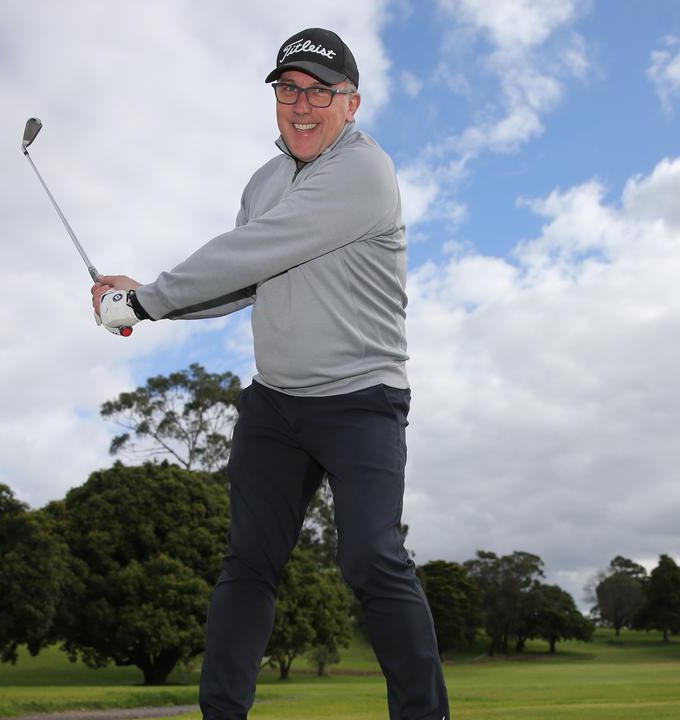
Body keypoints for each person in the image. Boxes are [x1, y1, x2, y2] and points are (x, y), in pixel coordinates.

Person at [91, 27, 449, 720]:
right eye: (289, 90)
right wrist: (148, 305)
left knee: (372, 557)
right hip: (276, 407)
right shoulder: (264, 180)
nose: (302, 105)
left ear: (353, 103)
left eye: (321, 92)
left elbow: (257, 249)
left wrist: (141, 299)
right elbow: (241, 280)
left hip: (362, 401)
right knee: (247, 566)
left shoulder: (364, 171)